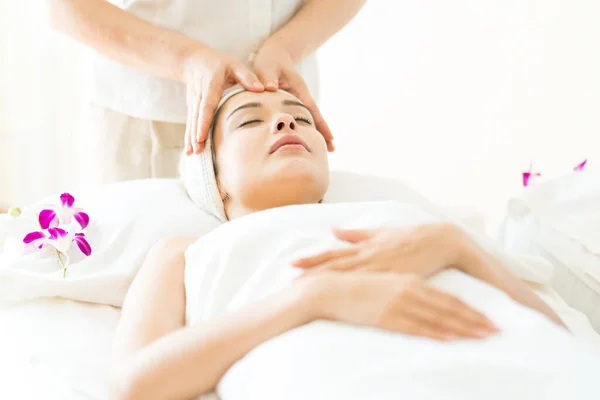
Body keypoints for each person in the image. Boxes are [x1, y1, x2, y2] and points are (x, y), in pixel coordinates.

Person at [110, 89, 599, 400]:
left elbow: (561, 335)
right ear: (214, 182)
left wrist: (457, 246)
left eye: (299, 117)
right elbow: (135, 386)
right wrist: (315, 298)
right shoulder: (186, 251)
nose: (286, 124)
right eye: (249, 121)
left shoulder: (412, 220)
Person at [49, 0, 366, 182]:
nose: (287, 125)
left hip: (285, 82)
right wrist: (185, 59)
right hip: (153, 114)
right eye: (248, 120)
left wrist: (288, 46)